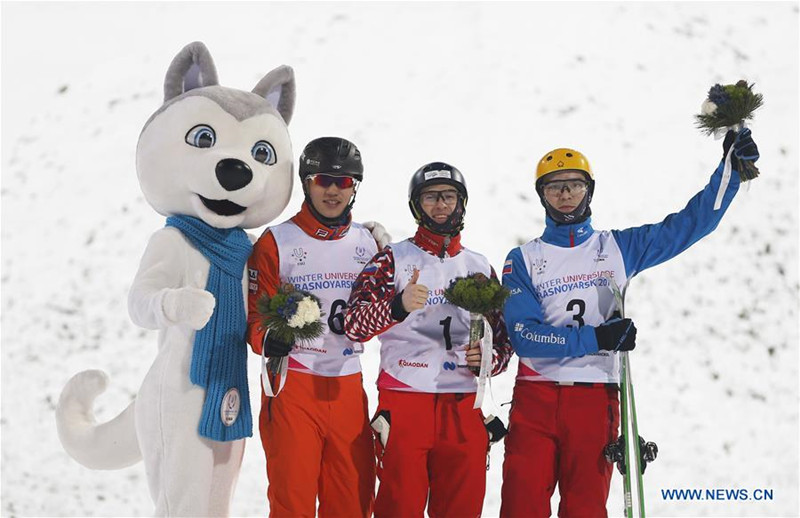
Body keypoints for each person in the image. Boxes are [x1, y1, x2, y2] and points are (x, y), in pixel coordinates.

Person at [499, 129, 760, 517]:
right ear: (542, 195)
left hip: (595, 397)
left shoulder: (617, 248)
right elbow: (525, 336)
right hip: (535, 397)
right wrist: (597, 337)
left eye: (574, 185)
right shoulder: (523, 259)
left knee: (586, 508)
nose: (565, 194)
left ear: (589, 190)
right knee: (521, 507)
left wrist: (731, 171)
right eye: (554, 187)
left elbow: (691, 224)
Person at [344, 161, 514, 518]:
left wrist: (489, 360)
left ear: (461, 203)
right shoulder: (392, 259)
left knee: (461, 507)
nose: (440, 205)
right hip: (406, 399)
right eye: (431, 197)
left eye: (449, 196)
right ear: (416, 205)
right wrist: (396, 307)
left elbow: (502, 340)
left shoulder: (479, 266)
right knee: (399, 505)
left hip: (464, 405)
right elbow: (354, 325)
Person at [246, 137, 389, 517]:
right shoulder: (277, 241)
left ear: (354, 188)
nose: (332, 190)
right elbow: (255, 321)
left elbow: (387, 315)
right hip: (296, 383)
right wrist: (269, 338)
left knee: (353, 500)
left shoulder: (368, 243)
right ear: (307, 182)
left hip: (347, 384)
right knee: (292, 499)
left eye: (343, 183)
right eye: (324, 179)